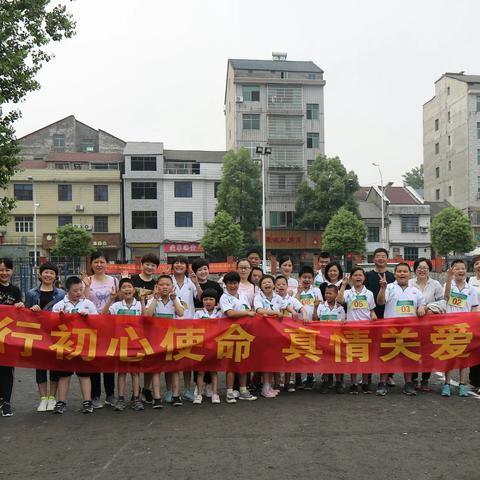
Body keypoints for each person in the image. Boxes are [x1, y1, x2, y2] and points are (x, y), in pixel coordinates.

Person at [376, 263, 426, 396]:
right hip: (390, 330)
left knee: (408, 358)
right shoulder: (389, 287)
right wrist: (382, 288)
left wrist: (422, 307)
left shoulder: (415, 290)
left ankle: (408, 384)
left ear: (410, 274)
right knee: (387, 357)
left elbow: (422, 303)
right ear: (395, 273)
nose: (402, 274)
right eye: (399, 271)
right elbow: (380, 302)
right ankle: (382, 383)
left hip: (409, 331)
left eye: (405, 271)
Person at [51, 276, 98, 414]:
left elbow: (97, 322)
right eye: (75, 290)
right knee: (64, 374)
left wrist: (88, 317)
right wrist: (59, 317)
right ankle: (61, 402)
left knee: (84, 374)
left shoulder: (88, 304)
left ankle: (87, 401)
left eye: (81, 290)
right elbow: (52, 325)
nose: (78, 293)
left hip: (84, 344)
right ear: (67, 290)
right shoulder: (59, 305)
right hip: (65, 344)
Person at [103, 277, 148, 411]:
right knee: (121, 372)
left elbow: (146, 319)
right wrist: (111, 299)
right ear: (120, 291)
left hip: (136, 343)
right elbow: (104, 315)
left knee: (135, 372)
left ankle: (136, 398)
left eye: (129, 287)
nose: (127, 289)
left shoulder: (139, 305)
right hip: (121, 343)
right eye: (124, 287)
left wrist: (143, 302)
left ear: (134, 290)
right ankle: (121, 398)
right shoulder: (116, 306)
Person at [25, 262, 66, 412]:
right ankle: (42, 399)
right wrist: (31, 310)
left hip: (55, 335)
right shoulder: (31, 293)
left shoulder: (61, 294)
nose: (48, 275)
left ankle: (52, 397)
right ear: (40, 274)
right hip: (37, 334)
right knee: (40, 366)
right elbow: (24, 314)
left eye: (51, 273)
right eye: (45, 272)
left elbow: (65, 313)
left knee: (54, 366)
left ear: (55, 276)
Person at [82, 251, 118, 409]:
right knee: (94, 360)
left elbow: (120, 301)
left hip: (109, 325)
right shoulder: (86, 281)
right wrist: (87, 287)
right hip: (91, 326)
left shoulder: (114, 280)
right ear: (91, 264)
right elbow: (81, 301)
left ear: (107, 264)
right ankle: (95, 395)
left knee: (109, 359)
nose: (99, 265)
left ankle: (110, 394)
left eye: (102, 262)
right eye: (96, 262)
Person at [124, 253, 159, 405]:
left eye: (153, 265)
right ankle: (135, 390)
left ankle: (146, 388)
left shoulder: (156, 284)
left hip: (150, 325)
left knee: (150, 358)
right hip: (133, 326)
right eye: (147, 264)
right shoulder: (132, 280)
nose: (150, 267)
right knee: (135, 357)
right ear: (142, 264)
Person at [442, 260, 479, 397]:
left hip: (465, 328)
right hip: (450, 327)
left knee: (464, 357)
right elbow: (445, 297)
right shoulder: (448, 285)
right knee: (450, 356)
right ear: (453, 270)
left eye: (462, 268)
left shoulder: (471, 289)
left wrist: (472, 323)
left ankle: (463, 384)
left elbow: (474, 307)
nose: (460, 270)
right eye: (457, 268)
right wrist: (448, 277)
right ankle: (446, 384)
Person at [147, 275, 185, 406]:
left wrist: (174, 300)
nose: (164, 287)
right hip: (155, 340)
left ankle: (176, 396)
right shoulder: (152, 299)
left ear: (172, 287)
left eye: (167, 285)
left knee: (174, 368)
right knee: (156, 369)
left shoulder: (176, 299)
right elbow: (147, 315)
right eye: (161, 284)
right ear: (157, 287)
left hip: (171, 339)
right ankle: (157, 398)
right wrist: (155, 298)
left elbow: (180, 313)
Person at [219, 271, 257, 403]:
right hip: (230, 334)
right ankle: (229, 392)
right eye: (230, 283)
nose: (232, 286)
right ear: (225, 284)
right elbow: (230, 313)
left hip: (244, 334)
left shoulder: (244, 296)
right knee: (231, 364)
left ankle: (243, 390)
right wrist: (247, 313)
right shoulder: (224, 297)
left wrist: (249, 313)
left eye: (235, 283)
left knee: (243, 363)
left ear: (238, 283)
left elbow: (251, 311)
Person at [337, 267, 377, 394]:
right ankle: (354, 383)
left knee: (366, 357)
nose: (358, 277)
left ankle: (365, 383)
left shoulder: (369, 293)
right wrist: (343, 285)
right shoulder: (348, 292)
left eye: (360, 275)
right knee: (353, 357)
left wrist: (373, 314)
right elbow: (339, 300)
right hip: (351, 331)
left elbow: (371, 310)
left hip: (366, 330)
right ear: (351, 278)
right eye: (355, 275)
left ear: (364, 278)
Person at [409, 257, 444, 391]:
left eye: (425, 268)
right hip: (412, 324)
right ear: (415, 269)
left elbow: (443, 301)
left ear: (429, 270)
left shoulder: (435, 284)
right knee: (412, 351)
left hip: (430, 325)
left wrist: (428, 307)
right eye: (419, 267)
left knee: (428, 352)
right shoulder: (409, 283)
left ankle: (425, 380)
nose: (422, 270)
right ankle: (412, 379)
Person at [254, 275, 291, 398]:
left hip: (275, 333)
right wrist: (275, 312)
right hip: (263, 333)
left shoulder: (277, 297)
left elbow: (286, 305)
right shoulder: (258, 297)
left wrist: (295, 312)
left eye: (269, 282)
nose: (267, 284)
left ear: (273, 285)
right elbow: (259, 310)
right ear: (260, 286)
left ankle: (268, 386)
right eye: (264, 283)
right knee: (266, 360)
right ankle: (265, 387)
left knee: (272, 360)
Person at [170, 255, 201, 401]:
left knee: (187, 359)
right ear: (172, 265)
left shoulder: (191, 281)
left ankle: (188, 389)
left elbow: (200, 297)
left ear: (186, 266)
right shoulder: (168, 281)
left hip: (189, 324)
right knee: (171, 359)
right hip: (171, 324)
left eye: (182, 263)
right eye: (176, 262)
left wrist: (197, 283)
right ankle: (171, 390)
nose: (179, 265)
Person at [365, 248, 395, 387]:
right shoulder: (367, 276)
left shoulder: (392, 277)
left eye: (383, 256)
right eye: (378, 256)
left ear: (387, 259)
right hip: (371, 316)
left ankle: (388, 375)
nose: (381, 259)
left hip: (388, 315)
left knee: (388, 346)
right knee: (370, 347)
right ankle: (367, 375)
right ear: (374, 259)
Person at [0, 258, 24, 417]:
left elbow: (21, 315)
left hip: (7, 338)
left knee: (7, 370)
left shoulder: (15, 291)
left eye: (7, 270)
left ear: (12, 271)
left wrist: (20, 306)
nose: (4, 273)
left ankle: (6, 402)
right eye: (1, 270)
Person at [274, 275, 306, 392]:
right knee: (276, 358)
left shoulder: (292, 299)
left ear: (287, 286)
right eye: (278, 284)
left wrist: (305, 317)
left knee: (289, 358)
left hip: (289, 334)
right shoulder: (273, 299)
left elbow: (301, 308)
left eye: (283, 284)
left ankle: (287, 382)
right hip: (275, 333)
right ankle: (277, 382)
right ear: (274, 286)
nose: (281, 286)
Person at [313, 284, 346, 394]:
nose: (327, 295)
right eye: (326, 293)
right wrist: (315, 307)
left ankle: (338, 382)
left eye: (330, 293)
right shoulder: (321, 307)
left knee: (337, 360)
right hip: (324, 338)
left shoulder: (340, 308)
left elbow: (343, 324)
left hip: (336, 338)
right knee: (325, 360)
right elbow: (315, 320)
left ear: (336, 295)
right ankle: (326, 381)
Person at [295, 265, 323, 390]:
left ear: (312, 279)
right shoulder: (297, 290)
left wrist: (317, 306)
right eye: (304, 277)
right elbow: (292, 305)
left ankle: (310, 377)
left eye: (309, 277)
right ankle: (298, 378)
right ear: (299, 278)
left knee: (310, 352)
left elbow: (320, 306)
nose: (306, 280)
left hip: (312, 325)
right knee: (297, 352)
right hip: (297, 326)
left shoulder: (316, 290)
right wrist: (298, 293)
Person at [193, 289, 222, 405]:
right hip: (202, 347)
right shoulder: (198, 314)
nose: (208, 301)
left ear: (216, 301)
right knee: (200, 372)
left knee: (214, 372)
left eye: (211, 299)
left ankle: (215, 394)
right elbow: (194, 328)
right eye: (205, 299)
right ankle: (199, 394)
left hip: (215, 346)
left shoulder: (220, 313)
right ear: (202, 301)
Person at [468, 255, 480, 392]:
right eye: (477, 263)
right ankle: (475, 381)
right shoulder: (469, 281)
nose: (479, 266)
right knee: (475, 351)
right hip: (474, 321)